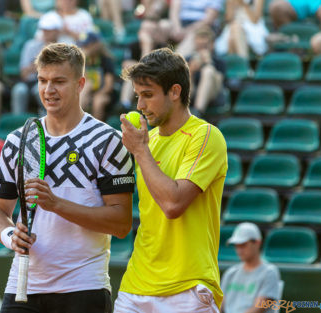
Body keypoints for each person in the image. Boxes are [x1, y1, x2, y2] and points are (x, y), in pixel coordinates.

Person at [0, 43, 135, 313]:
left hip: (84, 288)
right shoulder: (16, 141)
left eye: (58, 81)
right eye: (42, 80)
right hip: (22, 287)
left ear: (80, 84)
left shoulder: (108, 141)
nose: (48, 90)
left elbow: (121, 223)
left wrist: (57, 205)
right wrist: (10, 235)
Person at [114, 47, 228, 313]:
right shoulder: (146, 141)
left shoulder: (207, 136)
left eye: (148, 95)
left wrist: (140, 151)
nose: (140, 106)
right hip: (135, 284)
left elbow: (173, 204)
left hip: (187, 287)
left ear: (175, 92)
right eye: (138, 96)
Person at [221, 223, 281, 313]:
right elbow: (220, 306)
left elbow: (258, 308)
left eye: (243, 244)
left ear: (257, 243)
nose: (239, 250)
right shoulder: (231, 273)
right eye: (236, 245)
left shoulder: (269, 272)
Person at [11, 12, 62, 115]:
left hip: (51, 83)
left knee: (40, 91)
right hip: (31, 81)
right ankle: (18, 124)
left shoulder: (66, 47)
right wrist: (43, 62)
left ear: (57, 31)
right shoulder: (30, 45)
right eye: (44, 29)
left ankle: (49, 121)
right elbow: (24, 74)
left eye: (49, 30)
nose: (45, 32)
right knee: (19, 90)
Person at [138, 0, 222, 57]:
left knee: (194, 35)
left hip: (201, 27)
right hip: (179, 24)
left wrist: (186, 31)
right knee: (147, 26)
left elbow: (208, 19)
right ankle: (145, 63)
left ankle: (174, 65)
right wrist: (177, 28)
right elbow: (174, 11)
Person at [78, 32, 115, 121]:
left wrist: (95, 95)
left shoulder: (105, 60)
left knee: (98, 101)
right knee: (87, 86)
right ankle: (76, 123)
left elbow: (108, 86)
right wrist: (83, 60)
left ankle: (96, 130)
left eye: (87, 45)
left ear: (96, 45)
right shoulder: (82, 61)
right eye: (83, 46)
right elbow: (81, 80)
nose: (85, 48)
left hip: (103, 92)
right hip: (87, 91)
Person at [188, 26, 225, 115]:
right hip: (192, 95)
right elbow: (188, 92)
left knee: (208, 71)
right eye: (199, 46)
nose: (201, 49)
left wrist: (208, 62)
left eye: (204, 46)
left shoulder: (219, 61)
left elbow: (220, 83)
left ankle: (198, 112)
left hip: (214, 95)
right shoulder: (188, 59)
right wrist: (191, 72)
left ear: (212, 45)